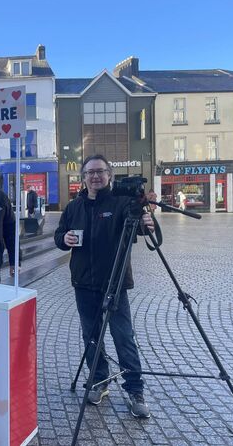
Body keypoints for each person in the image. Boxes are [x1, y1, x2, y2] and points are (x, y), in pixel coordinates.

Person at [54, 154, 156, 419]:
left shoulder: (121, 203)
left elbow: (139, 230)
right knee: (92, 336)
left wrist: (146, 222)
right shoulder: (73, 207)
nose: (95, 176)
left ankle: (135, 390)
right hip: (83, 283)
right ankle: (99, 381)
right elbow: (59, 236)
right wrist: (63, 238)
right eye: (90, 172)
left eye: (100, 171)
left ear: (110, 175)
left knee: (123, 336)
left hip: (115, 282)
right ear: (84, 177)